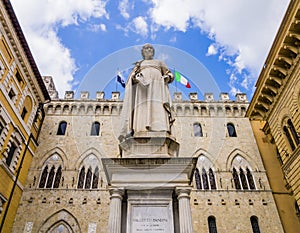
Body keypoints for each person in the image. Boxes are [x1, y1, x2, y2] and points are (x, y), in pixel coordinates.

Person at [119, 44, 174, 141]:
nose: (149, 50)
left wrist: (168, 77)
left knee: (158, 106)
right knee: (142, 108)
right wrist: (135, 79)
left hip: (157, 87)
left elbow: (169, 73)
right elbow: (132, 77)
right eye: (146, 49)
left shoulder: (159, 62)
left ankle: (159, 128)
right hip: (142, 89)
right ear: (143, 52)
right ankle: (140, 129)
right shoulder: (139, 64)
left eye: (151, 49)